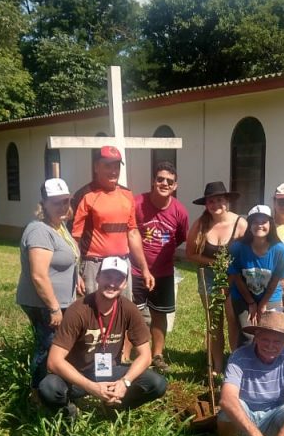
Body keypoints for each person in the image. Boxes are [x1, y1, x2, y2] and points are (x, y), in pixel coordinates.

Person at [39, 256, 167, 419]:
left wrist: (124, 382)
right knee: (49, 388)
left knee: (157, 384)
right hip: (78, 374)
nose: (112, 283)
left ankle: (115, 405)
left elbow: (146, 356)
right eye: (107, 276)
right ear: (98, 277)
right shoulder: (79, 310)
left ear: (125, 283)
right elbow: (54, 361)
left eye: (118, 278)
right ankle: (68, 412)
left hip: (109, 372)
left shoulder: (129, 309)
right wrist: (91, 387)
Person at [16, 178, 80, 395]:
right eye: (56, 202)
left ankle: (54, 387)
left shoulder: (59, 226)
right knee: (48, 347)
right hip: (44, 303)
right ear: (44, 203)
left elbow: (66, 257)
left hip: (59, 302)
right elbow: (39, 275)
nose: (63, 206)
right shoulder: (39, 230)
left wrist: (76, 277)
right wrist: (53, 307)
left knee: (56, 346)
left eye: (66, 201)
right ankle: (38, 393)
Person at [72, 145, 154, 300]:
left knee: (122, 313)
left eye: (116, 166)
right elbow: (74, 239)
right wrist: (75, 274)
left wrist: (144, 269)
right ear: (96, 167)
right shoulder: (84, 195)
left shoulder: (127, 194)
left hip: (122, 263)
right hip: (94, 266)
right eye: (107, 166)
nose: (113, 171)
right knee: (94, 315)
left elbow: (133, 232)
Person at [133, 161, 189, 373]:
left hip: (163, 272)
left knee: (159, 314)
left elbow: (181, 236)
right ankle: (127, 355)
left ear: (175, 186)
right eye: (160, 179)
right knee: (133, 314)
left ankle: (157, 355)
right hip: (136, 270)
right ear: (153, 181)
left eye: (169, 181)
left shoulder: (179, 211)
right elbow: (130, 231)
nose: (164, 183)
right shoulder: (137, 203)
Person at [186, 181, 247, 374]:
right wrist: (215, 264)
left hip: (234, 279)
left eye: (219, 200)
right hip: (209, 277)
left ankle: (236, 365)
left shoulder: (240, 224)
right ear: (206, 204)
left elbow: (248, 254)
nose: (215, 205)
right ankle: (217, 366)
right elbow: (190, 254)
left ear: (226, 201)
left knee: (232, 320)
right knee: (214, 323)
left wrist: (231, 268)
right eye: (211, 201)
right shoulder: (201, 224)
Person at [227, 205, 284, 349]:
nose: (259, 225)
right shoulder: (237, 247)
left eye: (263, 222)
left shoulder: (280, 249)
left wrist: (262, 305)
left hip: (270, 296)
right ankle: (244, 365)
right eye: (255, 222)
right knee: (248, 334)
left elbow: (275, 280)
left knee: (271, 332)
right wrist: (251, 302)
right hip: (243, 296)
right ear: (249, 225)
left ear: (270, 225)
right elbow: (236, 276)